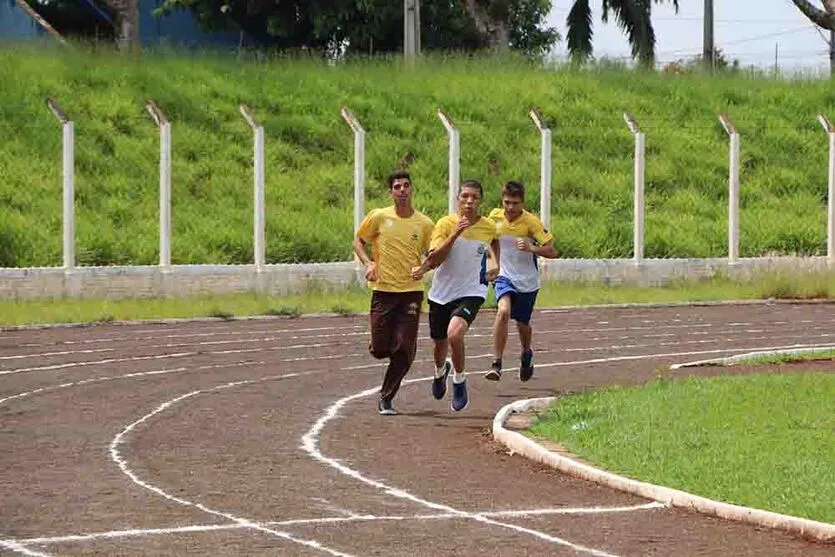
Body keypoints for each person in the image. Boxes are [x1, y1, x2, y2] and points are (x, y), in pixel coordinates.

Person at [411, 180, 500, 411]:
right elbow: (435, 259)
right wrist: (456, 233)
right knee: (439, 346)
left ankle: (459, 380)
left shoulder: (488, 226)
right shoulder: (444, 224)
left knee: (454, 334)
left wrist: (495, 263)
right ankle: (440, 371)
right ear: (457, 199)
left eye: (475, 197)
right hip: (441, 294)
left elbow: (494, 241)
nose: (469, 201)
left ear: (481, 201)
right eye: (465, 197)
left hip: (472, 291)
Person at [353, 170, 434, 415]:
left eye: (406, 185)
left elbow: (434, 254)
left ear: (412, 189)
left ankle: (386, 397)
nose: (402, 190)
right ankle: (392, 346)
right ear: (391, 192)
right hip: (383, 291)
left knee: (402, 350)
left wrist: (424, 268)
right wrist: (368, 263)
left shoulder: (424, 223)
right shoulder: (379, 217)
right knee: (379, 349)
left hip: (411, 292)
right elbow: (358, 240)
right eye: (397, 186)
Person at [485, 180, 557, 382]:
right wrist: (492, 262)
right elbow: (490, 239)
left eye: (515, 203)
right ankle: (496, 363)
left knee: (522, 323)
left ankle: (526, 353)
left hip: (527, 280)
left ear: (522, 203)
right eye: (507, 202)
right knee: (503, 311)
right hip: (503, 276)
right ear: (502, 201)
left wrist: (532, 248)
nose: (510, 208)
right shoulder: (494, 216)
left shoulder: (531, 222)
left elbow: (552, 251)